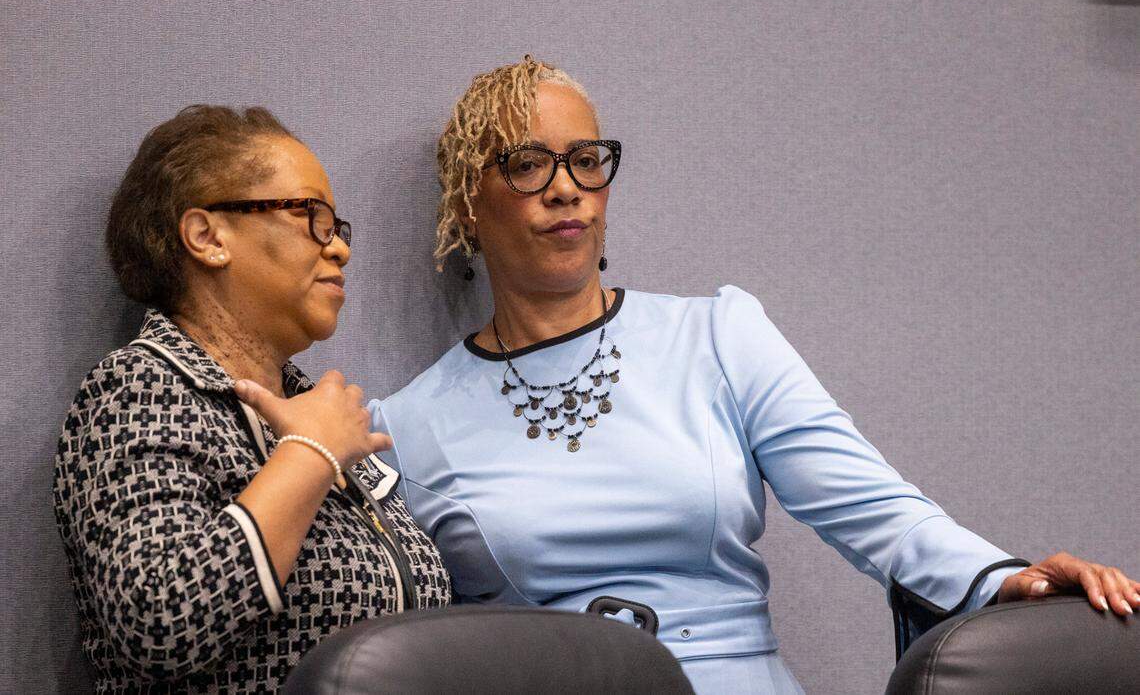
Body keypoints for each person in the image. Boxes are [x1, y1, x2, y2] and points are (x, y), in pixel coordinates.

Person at [369, 57, 1139, 694]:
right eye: (528, 164)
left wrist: (1006, 577)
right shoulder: (408, 427)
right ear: (467, 203)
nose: (566, 186)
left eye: (586, 160)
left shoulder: (717, 336)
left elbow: (878, 511)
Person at [53, 105, 450, 694]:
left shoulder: (313, 405)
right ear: (208, 237)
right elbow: (157, 621)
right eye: (310, 216)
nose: (339, 249)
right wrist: (310, 454)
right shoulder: (136, 389)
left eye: (336, 227)